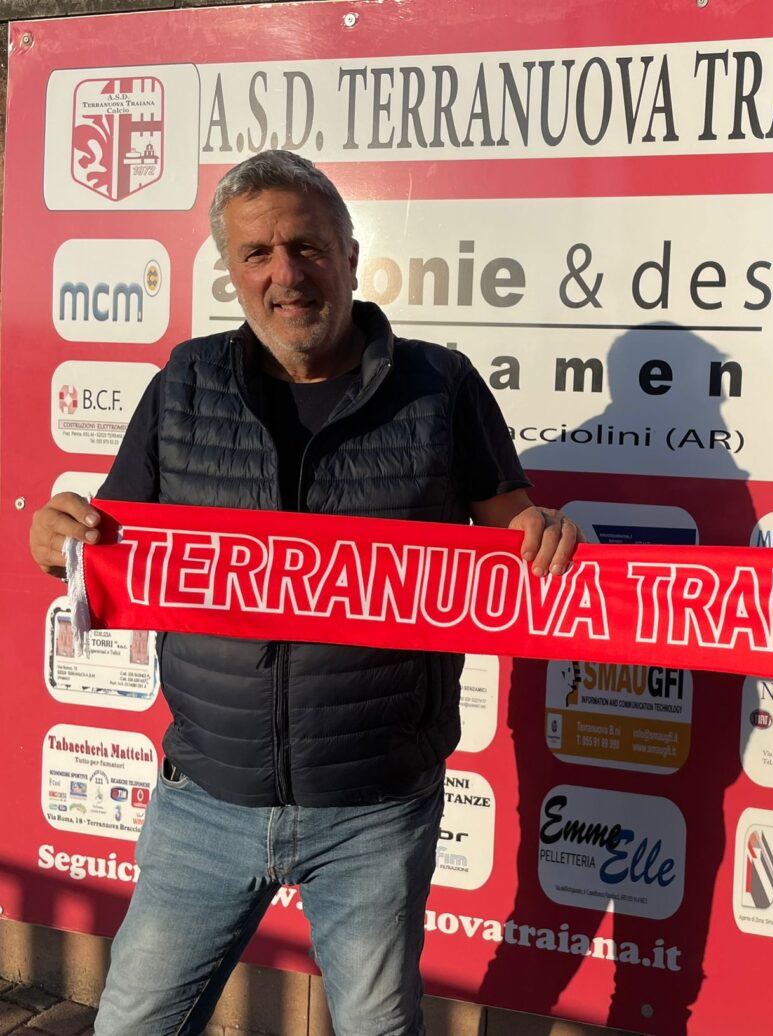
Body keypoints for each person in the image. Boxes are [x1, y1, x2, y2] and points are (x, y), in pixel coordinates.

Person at [28, 150, 580, 1036]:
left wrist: (544, 531)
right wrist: (56, 540)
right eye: (258, 254)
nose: (285, 274)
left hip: (375, 811)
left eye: (307, 247)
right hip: (203, 799)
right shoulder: (184, 384)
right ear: (232, 272)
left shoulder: (440, 387)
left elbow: (515, 531)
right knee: (132, 1025)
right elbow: (104, 543)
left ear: (350, 256)